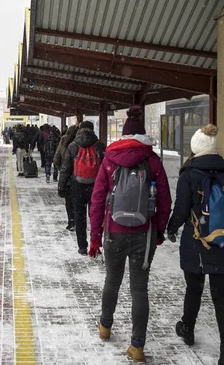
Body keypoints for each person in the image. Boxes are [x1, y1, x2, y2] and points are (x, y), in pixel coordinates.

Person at [88, 106, 172, 363]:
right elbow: (166, 201)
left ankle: (105, 326)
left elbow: (98, 199)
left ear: (123, 136)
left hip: (114, 232)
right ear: (143, 135)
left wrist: (94, 236)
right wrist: (158, 231)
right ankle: (137, 346)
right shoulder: (154, 161)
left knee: (112, 280)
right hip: (142, 235)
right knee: (139, 289)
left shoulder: (110, 160)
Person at [166, 124, 224, 365]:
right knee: (222, 296)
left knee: (194, 288)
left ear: (195, 148)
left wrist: (171, 228)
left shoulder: (189, 175)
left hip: (196, 241)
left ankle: (187, 328)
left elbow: (180, 210)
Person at [58, 121, 106, 255]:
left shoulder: (73, 146)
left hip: (76, 186)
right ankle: (95, 243)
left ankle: (82, 247)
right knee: (96, 216)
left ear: (80, 130)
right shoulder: (100, 146)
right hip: (96, 187)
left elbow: (65, 168)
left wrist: (61, 186)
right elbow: (106, 169)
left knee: (79, 217)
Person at [54, 125, 78, 231]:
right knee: (79, 203)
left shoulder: (64, 141)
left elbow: (56, 160)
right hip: (81, 178)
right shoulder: (83, 143)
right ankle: (79, 222)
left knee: (69, 202)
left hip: (68, 178)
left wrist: (61, 170)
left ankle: (71, 222)